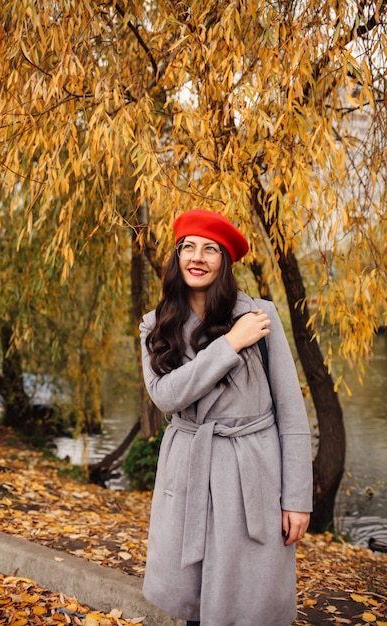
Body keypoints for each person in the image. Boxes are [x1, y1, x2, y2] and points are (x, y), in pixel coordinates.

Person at [140, 209, 313, 626]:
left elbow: (291, 413)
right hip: (188, 470)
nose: (196, 257)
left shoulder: (260, 316)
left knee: (247, 603)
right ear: (177, 256)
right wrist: (229, 345)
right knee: (195, 607)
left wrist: (297, 499)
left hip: (250, 472)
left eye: (209, 249)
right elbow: (165, 396)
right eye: (188, 247)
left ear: (225, 261)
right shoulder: (156, 325)